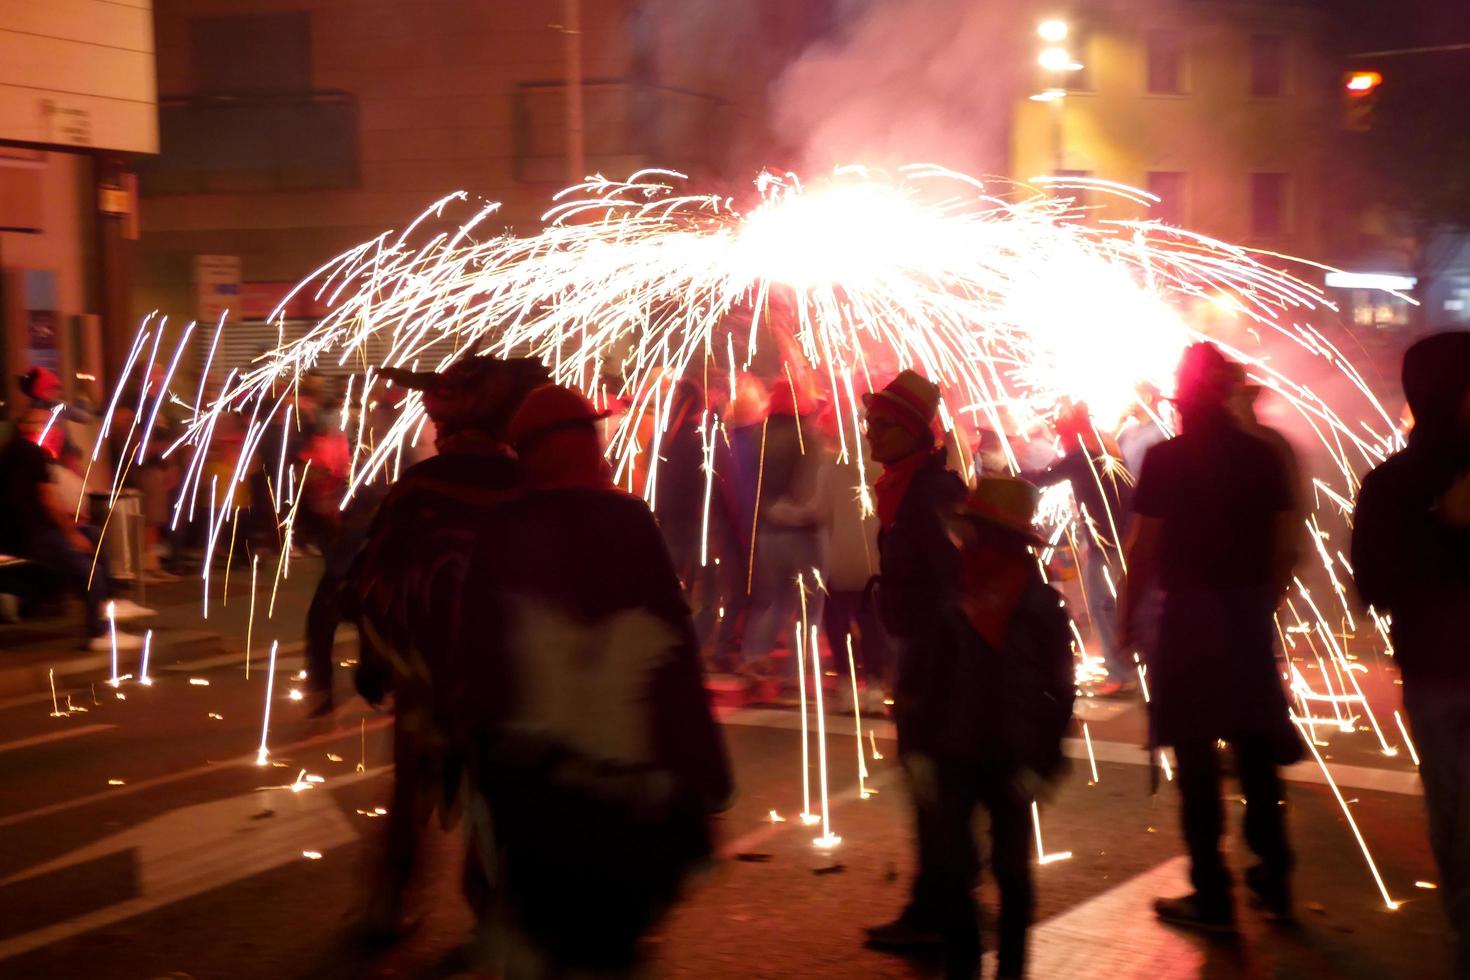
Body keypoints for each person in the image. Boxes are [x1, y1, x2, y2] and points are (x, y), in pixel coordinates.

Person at [456, 383, 732, 976]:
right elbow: (673, 652)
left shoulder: (503, 529)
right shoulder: (627, 522)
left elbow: (478, 655)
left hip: (535, 791)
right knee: (609, 947)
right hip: (624, 791)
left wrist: (476, 759)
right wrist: (707, 771)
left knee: (548, 940)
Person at [347, 354, 549, 938]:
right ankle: (488, 908)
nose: (432, 428)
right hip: (502, 676)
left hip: (425, 677)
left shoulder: (419, 487)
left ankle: (390, 898)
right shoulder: (525, 488)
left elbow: (376, 579)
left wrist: (372, 655)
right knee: (491, 791)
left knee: (410, 787)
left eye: (439, 419)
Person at [1119, 342, 1300, 932]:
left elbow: (1145, 550)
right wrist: (1261, 602)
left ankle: (1212, 896)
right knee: (1255, 752)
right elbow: (1282, 547)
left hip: (1190, 620)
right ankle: (1274, 875)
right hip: (1244, 615)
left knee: (1196, 762)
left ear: (1184, 399)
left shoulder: (1167, 459)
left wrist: (1126, 617)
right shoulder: (1262, 456)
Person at [918, 476, 1074, 980]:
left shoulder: (1040, 606)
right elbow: (934, 677)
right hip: (958, 750)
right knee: (954, 869)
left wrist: (1043, 759)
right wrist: (922, 744)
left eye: (979, 533)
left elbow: (1059, 691)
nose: (969, 542)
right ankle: (964, 967)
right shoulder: (955, 598)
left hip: (1012, 754)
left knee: (1011, 870)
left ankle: (1011, 971)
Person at [1352, 331, 1470, 978]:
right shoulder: (1395, 485)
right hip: (1438, 679)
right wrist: (1440, 523)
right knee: (1455, 822)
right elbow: (1374, 585)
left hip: (1438, 679)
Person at [861, 369, 967, 950]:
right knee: (933, 787)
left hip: (938, 665)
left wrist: (925, 663)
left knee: (935, 784)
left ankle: (938, 912)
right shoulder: (908, 486)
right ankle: (947, 899)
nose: (868, 435)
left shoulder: (930, 494)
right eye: (868, 423)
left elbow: (955, 586)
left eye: (880, 425)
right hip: (922, 659)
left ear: (908, 431)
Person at [0, 410, 150, 649]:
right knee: (89, 570)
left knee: (93, 535)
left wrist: (72, 524)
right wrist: (71, 533)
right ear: (35, 427)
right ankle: (98, 633)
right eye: (49, 424)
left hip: (22, 532)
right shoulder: (33, 454)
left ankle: (112, 599)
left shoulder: (12, 452)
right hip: (32, 536)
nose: (54, 430)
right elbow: (47, 499)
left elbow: (30, 499)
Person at [1024, 401, 1133, 694]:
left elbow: (1042, 478)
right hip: (1118, 539)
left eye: (1063, 433)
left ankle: (1119, 673)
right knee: (1114, 604)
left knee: (1101, 604)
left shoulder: (1079, 457)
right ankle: (1128, 667)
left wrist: (1006, 473)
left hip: (1107, 542)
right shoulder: (1105, 451)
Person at [737, 379, 825, 677]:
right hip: (799, 533)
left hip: (766, 529)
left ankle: (753, 658)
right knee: (807, 608)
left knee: (771, 601)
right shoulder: (806, 438)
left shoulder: (758, 435)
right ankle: (794, 674)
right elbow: (809, 489)